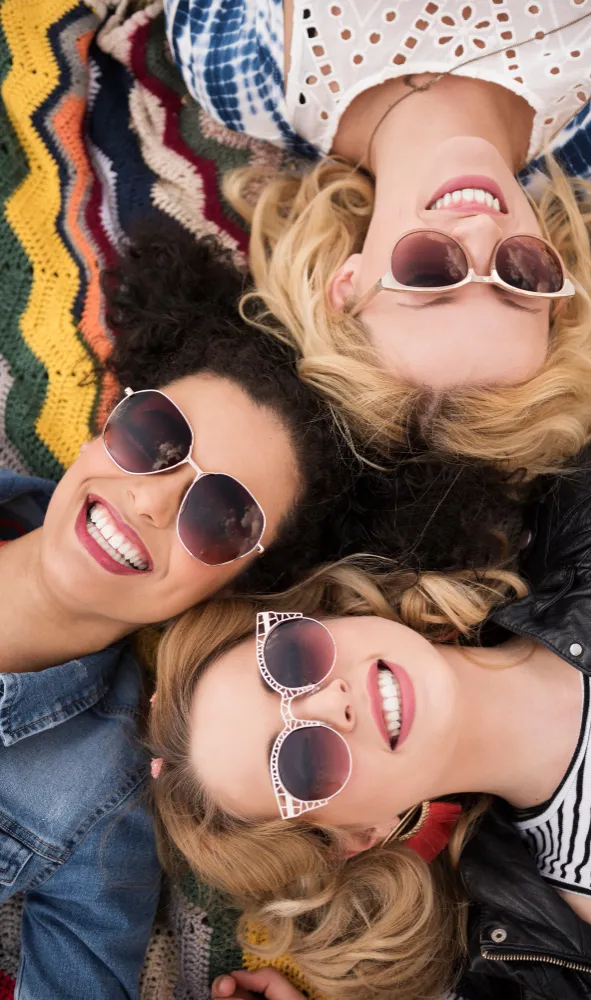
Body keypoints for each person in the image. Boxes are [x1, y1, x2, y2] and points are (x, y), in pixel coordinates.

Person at [150, 418, 591, 1000]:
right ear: (359, 835)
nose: (332, 702)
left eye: (291, 659)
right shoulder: (578, 950)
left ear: (324, 616)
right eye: (303, 761)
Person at [0, 225, 357, 998]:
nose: (152, 501)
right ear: (112, 420)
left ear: (232, 587)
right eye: (155, 436)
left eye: (222, 517)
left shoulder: (101, 813)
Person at [165, 0, 591, 475]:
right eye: (520, 276)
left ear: (347, 285)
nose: (481, 230)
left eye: (430, 272)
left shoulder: (231, 64)